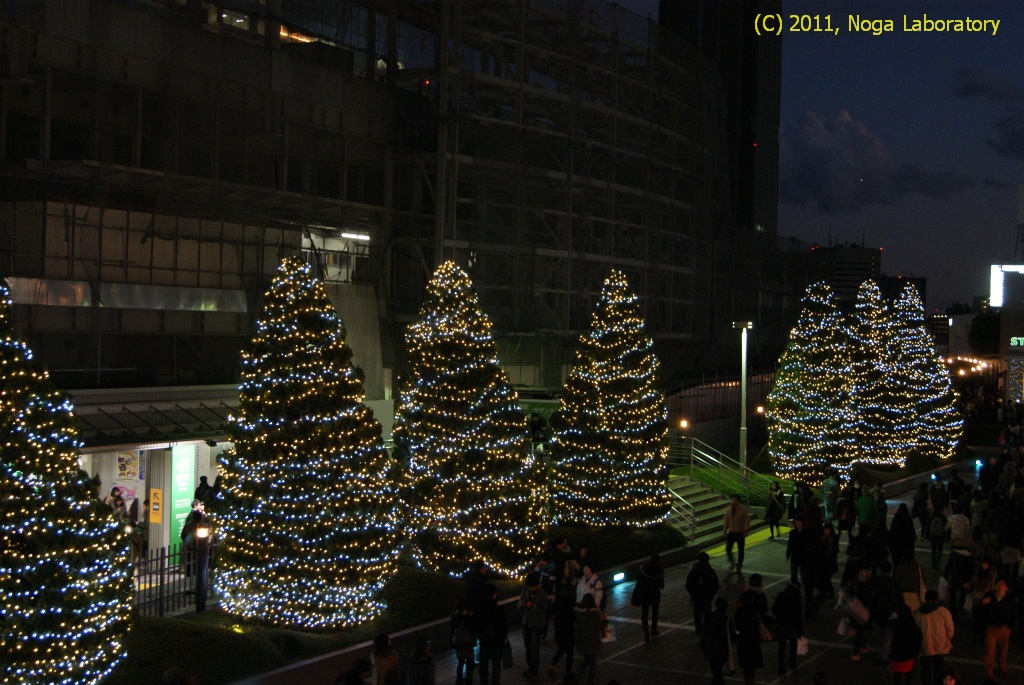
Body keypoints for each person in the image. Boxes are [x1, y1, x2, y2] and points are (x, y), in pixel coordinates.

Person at [915, 589, 954, 685]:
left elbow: (916, 630)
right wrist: (947, 639)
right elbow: (950, 628)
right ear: (937, 599)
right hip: (940, 643)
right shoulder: (943, 611)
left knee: (926, 667)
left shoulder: (918, 613)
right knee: (939, 665)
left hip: (925, 643)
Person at [981, 577, 1016, 682]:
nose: (1000, 587)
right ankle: (989, 674)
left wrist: (1010, 627)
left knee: (1003, 651)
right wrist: (983, 603)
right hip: (992, 628)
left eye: (1002, 585)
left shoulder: (1009, 600)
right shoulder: (990, 597)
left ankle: (1002, 669)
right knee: (989, 653)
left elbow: (1013, 614)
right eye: (998, 584)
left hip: (1004, 628)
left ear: (1006, 588)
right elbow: (981, 610)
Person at [733, 584, 767, 685]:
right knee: (752, 660)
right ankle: (751, 677)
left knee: (745, 663)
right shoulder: (753, 610)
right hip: (753, 638)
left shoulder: (739, 610)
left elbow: (737, 625)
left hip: (743, 638)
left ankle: (747, 678)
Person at [519, 571, 549, 679]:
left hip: (536, 623)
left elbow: (544, 608)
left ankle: (534, 669)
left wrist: (533, 605)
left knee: (534, 647)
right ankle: (530, 667)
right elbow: (519, 602)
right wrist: (522, 604)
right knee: (527, 646)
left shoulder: (542, 593)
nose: (530, 588)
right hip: (526, 622)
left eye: (531, 586)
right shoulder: (525, 590)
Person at [476, 584, 507, 685]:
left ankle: (483, 682)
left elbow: (477, 625)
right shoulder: (499, 609)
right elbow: (503, 627)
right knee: (496, 665)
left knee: (484, 665)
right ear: (494, 594)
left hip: (485, 641)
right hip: (496, 642)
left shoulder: (480, 608)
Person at [771, 581, 803, 676]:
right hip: (792, 625)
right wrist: (801, 631)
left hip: (781, 624)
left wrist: (779, 616)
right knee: (793, 644)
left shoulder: (781, 596)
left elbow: (773, 609)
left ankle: (781, 666)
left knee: (782, 645)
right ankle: (792, 662)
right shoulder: (797, 599)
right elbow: (798, 616)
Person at [574, 593, 607, 685]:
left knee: (587, 659)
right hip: (592, 641)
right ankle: (590, 681)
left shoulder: (579, 614)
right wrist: (604, 620)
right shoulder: (595, 614)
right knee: (592, 662)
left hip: (582, 641)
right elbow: (600, 627)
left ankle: (578, 675)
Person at [700, 597, 733, 685]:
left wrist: (703, 645)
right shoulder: (727, 620)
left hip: (711, 648)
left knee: (715, 670)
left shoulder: (710, 617)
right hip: (722, 650)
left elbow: (705, 632)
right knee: (718, 670)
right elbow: (732, 636)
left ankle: (717, 681)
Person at [685, 551, 719, 634]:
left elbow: (688, 585)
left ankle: (699, 631)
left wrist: (693, 593)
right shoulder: (710, 571)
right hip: (706, 597)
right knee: (706, 615)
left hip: (697, 598)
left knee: (698, 615)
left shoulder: (694, 571)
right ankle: (706, 631)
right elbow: (716, 585)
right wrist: (711, 594)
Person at [888, 604, 922, 685]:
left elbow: (894, 640)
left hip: (898, 654)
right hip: (909, 653)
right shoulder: (913, 624)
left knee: (897, 672)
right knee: (908, 671)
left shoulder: (897, 624)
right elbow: (918, 638)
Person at [634, 553, 664, 641]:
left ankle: (646, 634)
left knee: (644, 614)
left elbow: (639, 581)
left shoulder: (643, 569)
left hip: (644, 594)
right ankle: (653, 630)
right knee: (655, 613)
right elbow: (661, 586)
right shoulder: (659, 570)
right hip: (654, 595)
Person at [449, 598, 476, 685]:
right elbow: (472, 627)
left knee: (460, 662)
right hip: (467, 643)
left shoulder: (454, 616)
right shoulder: (468, 615)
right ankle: (468, 679)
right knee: (469, 662)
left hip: (458, 643)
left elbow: (452, 631)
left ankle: (459, 679)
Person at [723, 494, 751, 571]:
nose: (733, 501)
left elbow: (747, 520)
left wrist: (746, 530)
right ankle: (732, 561)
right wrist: (724, 531)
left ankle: (739, 564)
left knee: (741, 550)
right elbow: (726, 521)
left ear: (738, 501)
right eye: (732, 499)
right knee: (728, 548)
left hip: (740, 532)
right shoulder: (728, 509)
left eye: (735, 500)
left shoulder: (743, 509)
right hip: (732, 532)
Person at [888, 503, 917, 568]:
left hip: (897, 543)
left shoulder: (896, 518)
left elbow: (892, 530)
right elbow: (911, 530)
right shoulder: (907, 517)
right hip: (906, 544)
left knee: (897, 563)